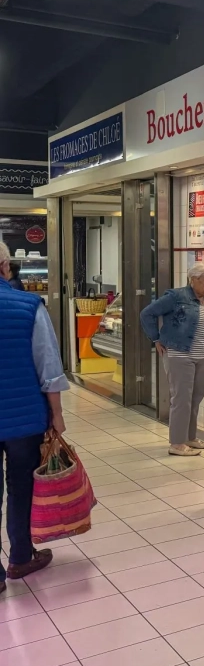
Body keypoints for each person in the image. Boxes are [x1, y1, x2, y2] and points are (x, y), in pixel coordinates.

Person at [0, 241, 67, 593]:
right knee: (22, 486)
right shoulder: (29, 306)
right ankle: (21, 557)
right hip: (24, 419)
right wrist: (56, 415)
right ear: (5, 266)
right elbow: (49, 366)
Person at [140, 262, 204, 456]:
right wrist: (156, 338)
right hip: (179, 354)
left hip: (202, 355)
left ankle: (190, 438)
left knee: (196, 397)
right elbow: (147, 313)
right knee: (182, 398)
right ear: (193, 280)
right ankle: (176, 443)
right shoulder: (176, 296)